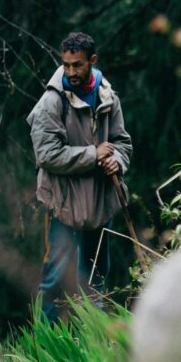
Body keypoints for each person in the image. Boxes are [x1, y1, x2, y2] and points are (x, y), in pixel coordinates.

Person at [26, 31, 133, 322]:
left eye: (78, 65)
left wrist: (117, 161)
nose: (71, 72)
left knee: (96, 278)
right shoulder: (51, 101)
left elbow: (122, 142)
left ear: (92, 61)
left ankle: (92, 342)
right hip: (63, 205)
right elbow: (46, 155)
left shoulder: (108, 96)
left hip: (100, 204)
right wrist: (93, 154)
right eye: (67, 65)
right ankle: (44, 349)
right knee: (54, 280)